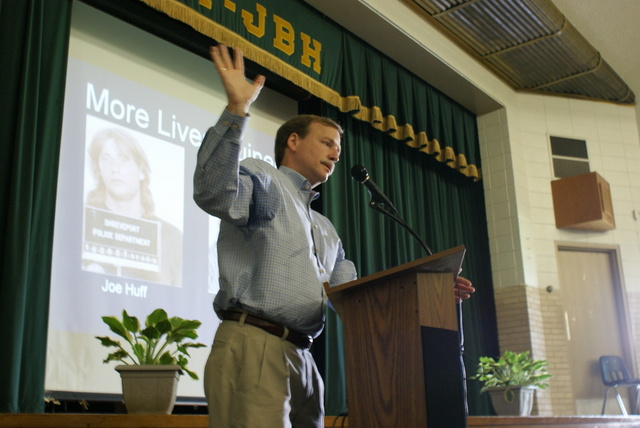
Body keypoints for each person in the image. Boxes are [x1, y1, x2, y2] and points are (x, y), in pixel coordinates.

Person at [193, 44, 475, 428]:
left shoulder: (327, 231)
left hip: (305, 357)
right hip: (255, 344)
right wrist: (237, 110)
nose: (336, 154)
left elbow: (357, 303)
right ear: (293, 141)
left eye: (339, 148)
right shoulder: (264, 177)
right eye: (327, 142)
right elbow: (213, 191)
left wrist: (432, 294)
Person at [84, 127, 183, 286]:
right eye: (106, 159)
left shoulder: (172, 237)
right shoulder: (84, 223)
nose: (114, 168)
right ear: (99, 169)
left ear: (141, 171)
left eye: (123, 159)